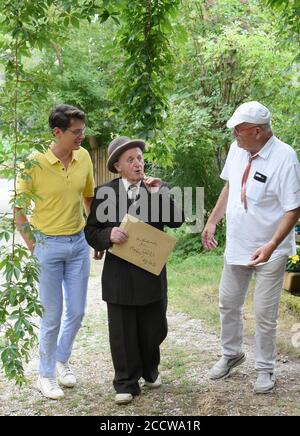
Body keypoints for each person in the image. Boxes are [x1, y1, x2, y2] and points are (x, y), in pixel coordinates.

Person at [201, 101, 300, 394]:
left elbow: (293, 209)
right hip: (238, 244)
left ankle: (265, 369)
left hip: (271, 249)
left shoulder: (285, 158)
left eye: (238, 130)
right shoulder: (238, 149)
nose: (234, 135)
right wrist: (211, 221)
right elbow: (230, 187)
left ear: (257, 131)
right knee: (227, 302)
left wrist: (271, 245)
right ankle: (232, 354)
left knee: (264, 312)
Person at [84, 136, 184, 405]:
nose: (138, 163)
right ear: (117, 166)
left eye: (139, 157)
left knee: (154, 328)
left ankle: (150, 370)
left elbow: (177, 220)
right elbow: (90, 232)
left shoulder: (158, 187)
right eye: (130, 159)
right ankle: (126, 382)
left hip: (151, 274)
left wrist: (158, 195)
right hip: (119, 276)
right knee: (123, 330)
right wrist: (108, 235)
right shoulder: (105, 193)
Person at [15, 104, 97, 400]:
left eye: (82, 131)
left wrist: (95, 236)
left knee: (76, 312)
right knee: (52, 315)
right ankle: (46, 375)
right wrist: (34, 246)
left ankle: (61, 359)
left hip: (77, 244)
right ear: (57, 132)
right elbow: (19, 211)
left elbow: (88, 198)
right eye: (76, 132)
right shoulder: (34, 163)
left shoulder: (84, 157)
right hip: (47, 245)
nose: (81, 137)